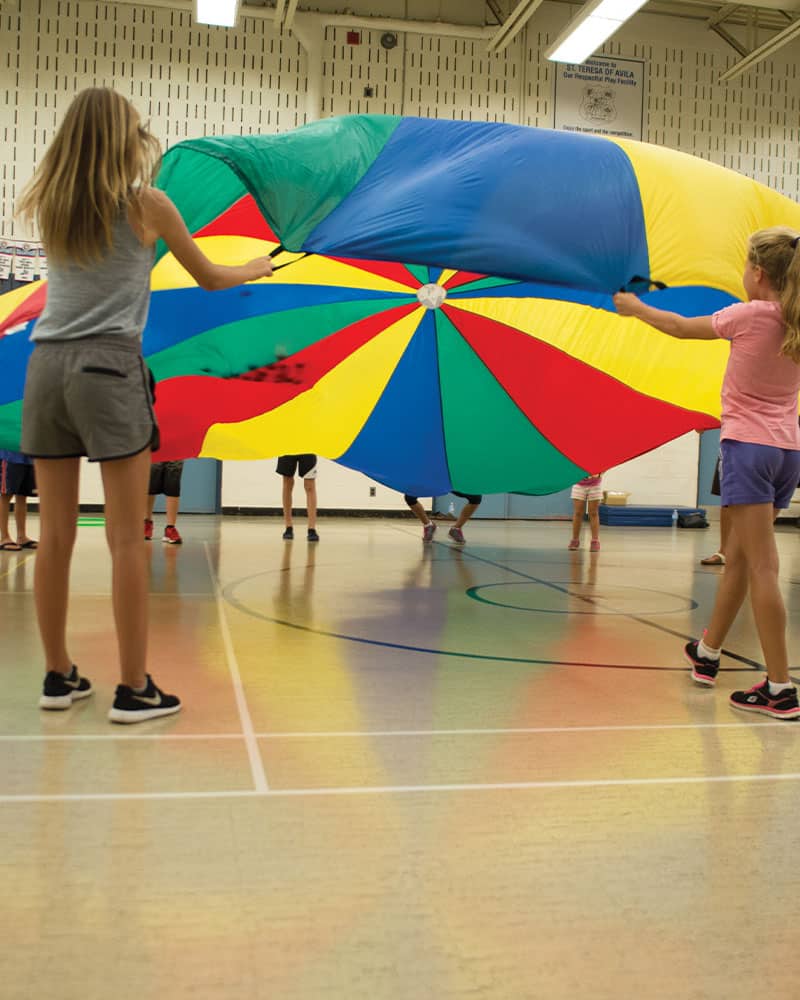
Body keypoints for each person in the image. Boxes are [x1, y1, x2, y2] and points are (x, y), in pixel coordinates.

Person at [18, 87, 273, 722]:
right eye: (137, 130)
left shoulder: (51, 205)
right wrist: (255, 268)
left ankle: (58, 677)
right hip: (108, 367)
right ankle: (133, 687)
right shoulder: (147, 205)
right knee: (127, 540)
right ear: (121, 138)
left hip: (45, 368)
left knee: (54, 536)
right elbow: (210, 278)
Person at [614, 226, 800, 719]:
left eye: (744, 266)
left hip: (748, 449)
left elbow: (678, 327)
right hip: (786, 454)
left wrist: (636, 309)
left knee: (763, 568)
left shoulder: (750, 315)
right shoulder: (796, 317)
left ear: (757, 273)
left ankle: (780, 689)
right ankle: (709, 653)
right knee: (740, 559)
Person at [0, 449, 38, 551]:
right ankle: (4, 537)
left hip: (28, 456)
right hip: (9, 455)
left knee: (22, 496)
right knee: (6, 495)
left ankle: (22, 537)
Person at [277, 454, 319, 541]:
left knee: (309, 485)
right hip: (287, 445)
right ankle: (288, 527)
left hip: (308, 445)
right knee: (287, 482)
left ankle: (312, 529)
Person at [699, 454, 730, 566]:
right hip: (731, 447)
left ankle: (750, 552)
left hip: (767, 446)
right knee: (728, 499)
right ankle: (725, 551)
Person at [145, 460, 184, 544]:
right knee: (150, 483)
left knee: (173, 485)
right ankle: (146, 523)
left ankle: (170, 528)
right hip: (154, 449)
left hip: (175, 450)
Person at [568, 473, 603, 552]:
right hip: (579, 485)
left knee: (594, 513)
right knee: (578, 513)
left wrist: (600, 473)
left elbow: (606, 464)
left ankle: (595, 541)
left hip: (595, 485)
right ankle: (575, 540)